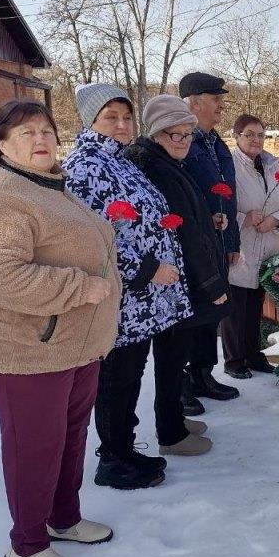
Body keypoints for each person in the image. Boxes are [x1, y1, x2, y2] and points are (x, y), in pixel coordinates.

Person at [0, 99, 120, 557]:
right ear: (2, 147)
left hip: (72, 346)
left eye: (46, 129)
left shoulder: (52, 187)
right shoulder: (0, 200)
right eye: (25, 133)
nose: (40, 139)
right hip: (23, 353)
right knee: (35, 447)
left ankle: (63, 518)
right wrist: (79, 287)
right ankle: (26, 546)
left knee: (68, 439)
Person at [65, 83, 198, 489]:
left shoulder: (118, 160)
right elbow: (90, 238)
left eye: (126, 117)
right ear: (90, 120)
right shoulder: (85, 166)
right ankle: (114, 459)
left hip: (143, 301)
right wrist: (145, 270)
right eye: (111, 117)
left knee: (130, 375)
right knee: (117, 378)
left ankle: (124, 447)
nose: (121, 125)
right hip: (123, 297)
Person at [124, 95, 232, 457]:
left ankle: (173, 423)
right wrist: (213, 285)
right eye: (176, 135)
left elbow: (188, 219)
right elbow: (184, 235)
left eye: (188, 134)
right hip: (174, 284)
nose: (184, 141)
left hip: (177, 283)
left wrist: (210, 218)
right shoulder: (157, 168)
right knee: (171, 361)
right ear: (156, 134)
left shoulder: (167, 163)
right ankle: (170, 433)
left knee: (175, 359)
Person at [178, 71, 241, 407]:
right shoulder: (181, 142)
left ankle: (204, 373)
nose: (221, 106)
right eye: (216, 99)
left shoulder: (215, 143)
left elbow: (227, 199)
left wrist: (231, 242)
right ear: (194, 102)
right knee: (192, 310)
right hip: (191, 245)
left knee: (212, 309)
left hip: (217, 242)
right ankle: (184, 381)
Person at [221, 114, 279, 379]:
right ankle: (234, 361)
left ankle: (253, 355)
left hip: (268, 245)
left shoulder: (273, 166)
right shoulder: (227, 166)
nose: (256, 139)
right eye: (249, 134)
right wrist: (245, 218)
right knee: (235, 308)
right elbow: (219, 205)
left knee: (255, 305)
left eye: (260, 134)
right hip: (241, 246)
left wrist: (276, 219)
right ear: (236, 136)